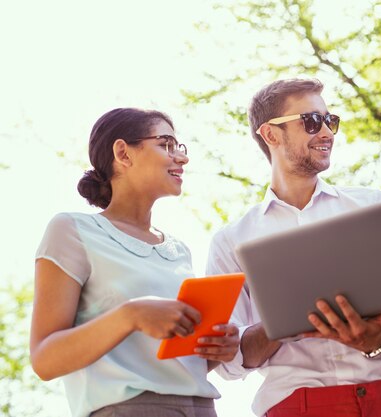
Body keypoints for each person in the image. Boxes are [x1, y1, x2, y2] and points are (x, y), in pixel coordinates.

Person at [206, 78, 381, 417]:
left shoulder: (374, 206)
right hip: (298, 406)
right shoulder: (232, 240)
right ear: (270, 134)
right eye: (312, 121)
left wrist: (378, 338)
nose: (327, 132)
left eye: (331, 121)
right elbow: (231, 360)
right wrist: (286, 319)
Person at [30, 108, 240, 417]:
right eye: (166, 144)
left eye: (179, 148)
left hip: (202, 409)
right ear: (123, 153)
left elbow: (170, 363)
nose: (181, 158)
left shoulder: (178, 250)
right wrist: (131, 315)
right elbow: (45, 360)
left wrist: (217, 350)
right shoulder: (72, 230)